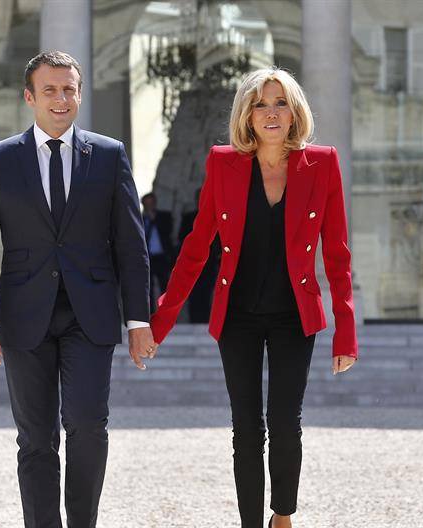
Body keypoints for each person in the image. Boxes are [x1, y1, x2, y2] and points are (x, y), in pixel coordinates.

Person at [150, 67, 358, 528]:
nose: (271, 113)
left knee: (285, 423)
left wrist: (345, 332)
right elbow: (196, 248)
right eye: (260, 104)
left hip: (294, 316)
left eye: (280, 103)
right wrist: (160, 322)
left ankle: (282, 515)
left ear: (294, 112)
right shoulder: (223, 163)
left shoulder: (322, 163)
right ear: (246, 114)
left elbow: (337, 253)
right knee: (246, 428)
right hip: (238, 316)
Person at [0, 50, 157, 528]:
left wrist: (138, 320)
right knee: (35, 438)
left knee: (88, 425)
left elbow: (131, 245)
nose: (60, 98)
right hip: (22, 316)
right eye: (49, 89)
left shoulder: (108, 155)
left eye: (69, 89)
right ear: (29, 97)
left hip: (90, 315)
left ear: (80, 95)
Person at [177, 187, 220, 323]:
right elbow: (181, 238)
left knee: (207, 292)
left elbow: (220, 240)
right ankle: (194, 320)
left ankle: (204, 321)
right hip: (192, 261)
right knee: (192, 291)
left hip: (209, 261)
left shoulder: (216, 216)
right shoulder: (188, 217)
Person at [140, 192, 175, 310]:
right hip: (148, 258)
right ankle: (150, 313)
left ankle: (165, 311)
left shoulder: (164, 217)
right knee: (148, 288)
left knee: (164, 285)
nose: (149, 206)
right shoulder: (140, 220)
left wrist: (154, 219)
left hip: (162, 257)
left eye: (151, 204)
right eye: (147, 204)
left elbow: (168, 231)